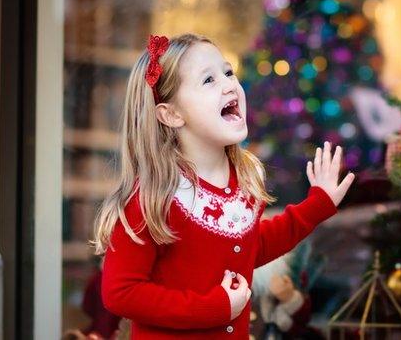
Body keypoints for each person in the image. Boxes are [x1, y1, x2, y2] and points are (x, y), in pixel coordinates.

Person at [93, 33, 355, 339]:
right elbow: (121, 293)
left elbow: (251, 247)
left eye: (228, 73)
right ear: (172, 114)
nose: (230, 84)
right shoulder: (153, 197)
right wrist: (213, 307)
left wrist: (317, 206)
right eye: (208, 80)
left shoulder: (243, 177)